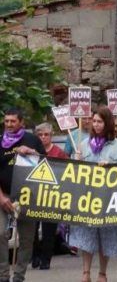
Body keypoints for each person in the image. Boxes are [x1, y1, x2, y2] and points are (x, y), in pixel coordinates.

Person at [70, 106, 117, 282]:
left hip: (108, 199)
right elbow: (72, 172)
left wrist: (112, 167)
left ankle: (102, 272)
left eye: (100, 121)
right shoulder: (83, 144)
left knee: (105, 238)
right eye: (94, 121)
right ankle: (85, 272)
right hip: (88, 198)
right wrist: (76, 160)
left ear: (107, 123)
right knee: (86, 236)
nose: (96, 124)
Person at [0, 108, 45, 282]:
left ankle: (19, 276)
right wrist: (2, 197)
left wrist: (32, 152)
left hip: (27, 197)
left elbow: (45, 163)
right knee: (0, 234)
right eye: (7, 121)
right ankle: (3, 276)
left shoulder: (32, 140)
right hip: (3, 196)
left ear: (21, 123)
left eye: (13, 121)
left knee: (26, 240)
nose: (9, 124)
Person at [32, 123, 68, 270]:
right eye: (40, 135)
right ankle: (35, 257)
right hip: (34, 196)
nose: (43, 137)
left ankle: (46, 260)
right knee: (32, 229)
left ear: (51, 135)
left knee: (49, 230)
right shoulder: (33, 152)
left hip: (52, 196)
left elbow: (68, 170)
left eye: (46, 134)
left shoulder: (58, 152)